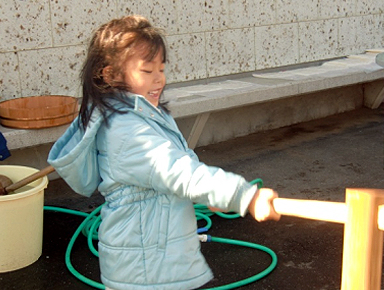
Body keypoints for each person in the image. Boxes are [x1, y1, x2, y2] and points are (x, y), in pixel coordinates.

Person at [48, 15, 280, 290]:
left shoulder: (141, 114)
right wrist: (242, 195)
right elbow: (180, 172)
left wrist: (215, 195)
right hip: (146, 269)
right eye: (147, 71)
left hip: (152, 261)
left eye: (161, 68)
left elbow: (180, 167)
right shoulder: (125, 131)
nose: (159, 79)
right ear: (110, 74)